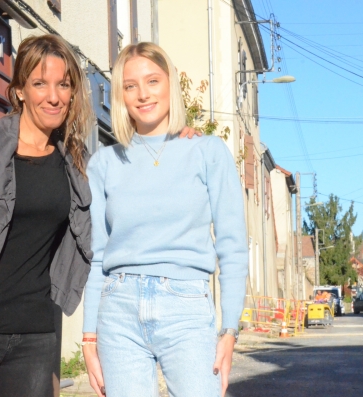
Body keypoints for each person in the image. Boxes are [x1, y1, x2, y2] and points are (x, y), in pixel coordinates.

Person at [0, 34, 197, 396]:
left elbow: (132, 198)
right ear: (19, 91)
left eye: (63, 85)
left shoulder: (77, 164)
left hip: (34, 337)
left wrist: (173, 145)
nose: (54, 96)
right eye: (40, 84)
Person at [82, 42, 248, 397]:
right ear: (121, 96)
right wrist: (88, 338)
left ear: (170, 83)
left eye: (153, 81)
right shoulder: (104, 163)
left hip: (186, 306)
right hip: (118, 310)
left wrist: (229, 329)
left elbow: (233, 245)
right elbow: (96, 256)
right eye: (130, 85)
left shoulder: (206, 151)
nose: (143, 94)